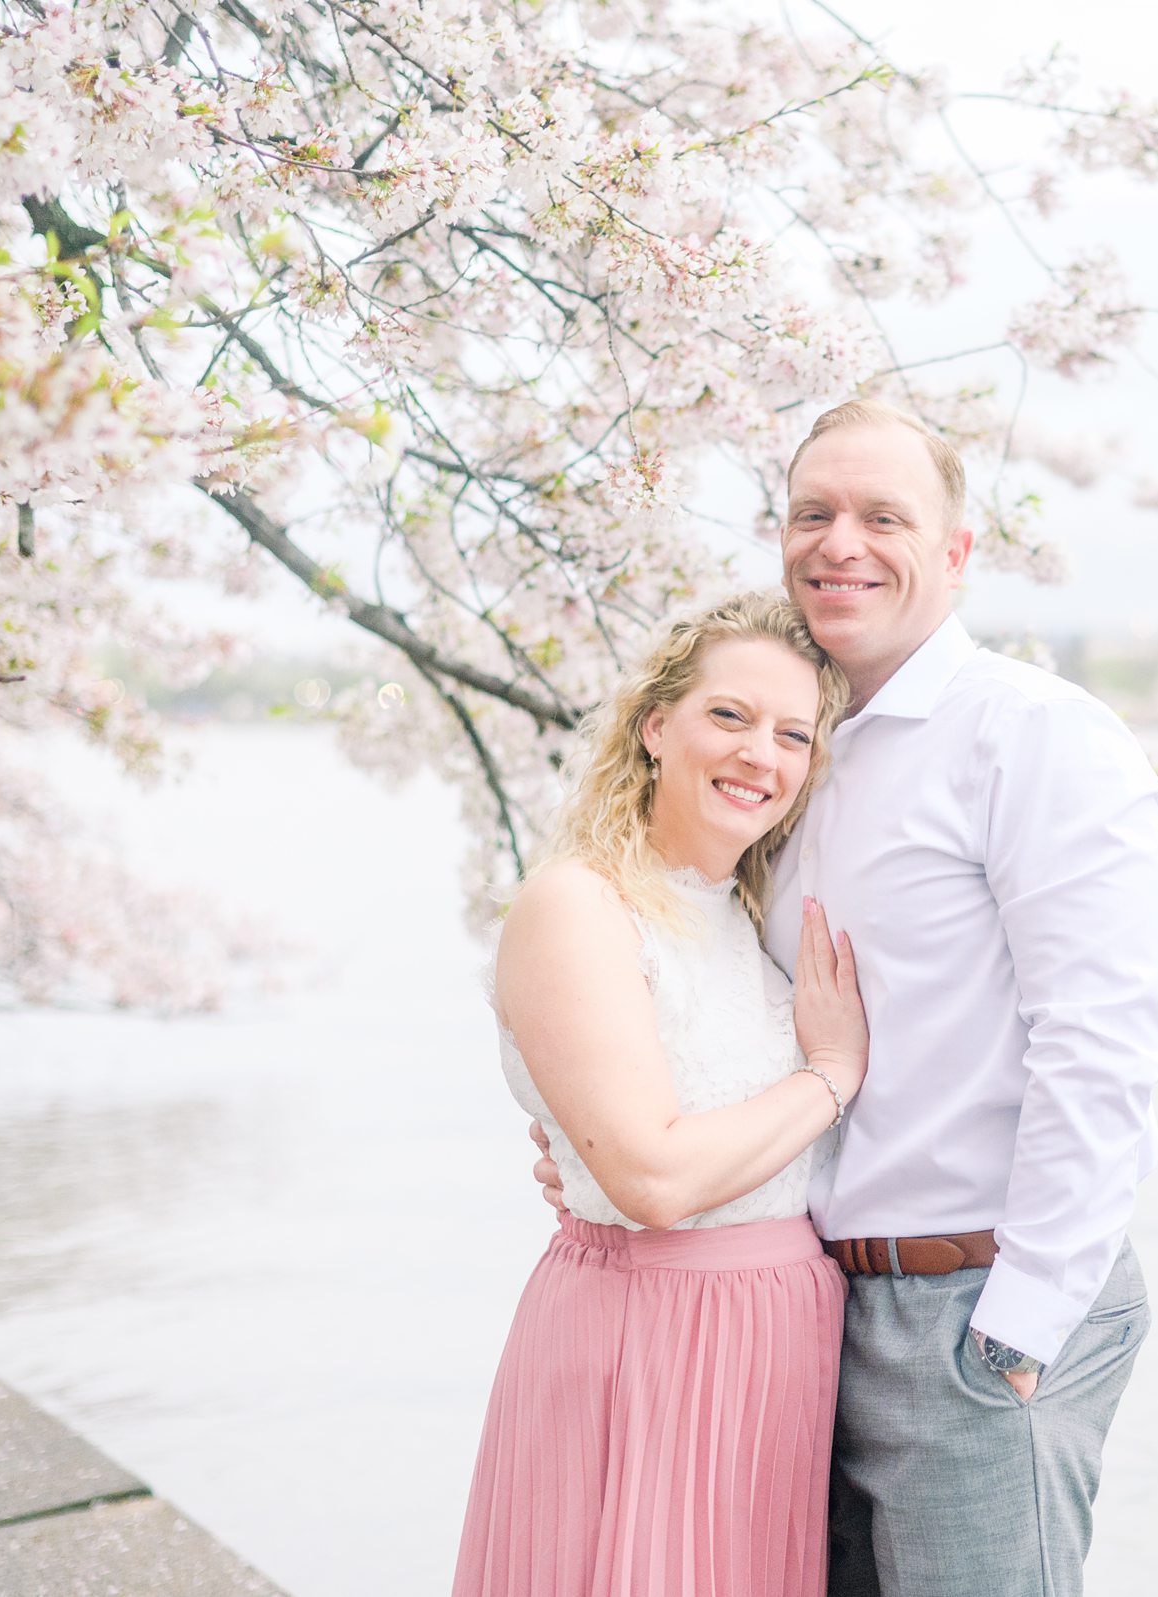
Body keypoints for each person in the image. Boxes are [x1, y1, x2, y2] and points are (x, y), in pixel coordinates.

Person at [537, 399, 1158, 1596]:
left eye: (884, 516)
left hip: (976, 1309)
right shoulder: (793, 756)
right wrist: (593, 1152)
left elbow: (1101, 1050)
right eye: (813, 513)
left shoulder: (1035, 738)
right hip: (813, 1309)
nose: (843, 543)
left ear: (955, 554)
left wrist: (1023, 1328)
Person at [451, 592, 871, 1597]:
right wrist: (832, 1077)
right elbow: (651, 1177)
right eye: (728, 716)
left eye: (791, 735)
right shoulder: (578, 904)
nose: (758, 756)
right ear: (654, 725)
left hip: (776, 1349)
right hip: (646, 1340)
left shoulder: (749, 919)